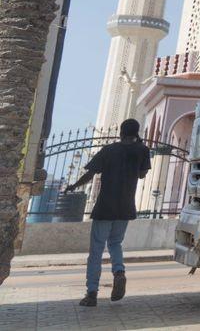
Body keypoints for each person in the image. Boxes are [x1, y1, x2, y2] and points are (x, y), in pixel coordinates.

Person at [64, 118, 151, 307]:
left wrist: (73, 186)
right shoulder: (142, 151)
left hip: (105, 206)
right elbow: (142, 174)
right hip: (126, 207)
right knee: (115, 243)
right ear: (136, 132)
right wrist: (140, 146)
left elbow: (90, 173)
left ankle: (92, 293)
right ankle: (119, 272)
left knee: (96, 250)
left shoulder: (109, 150)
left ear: (121, 132)